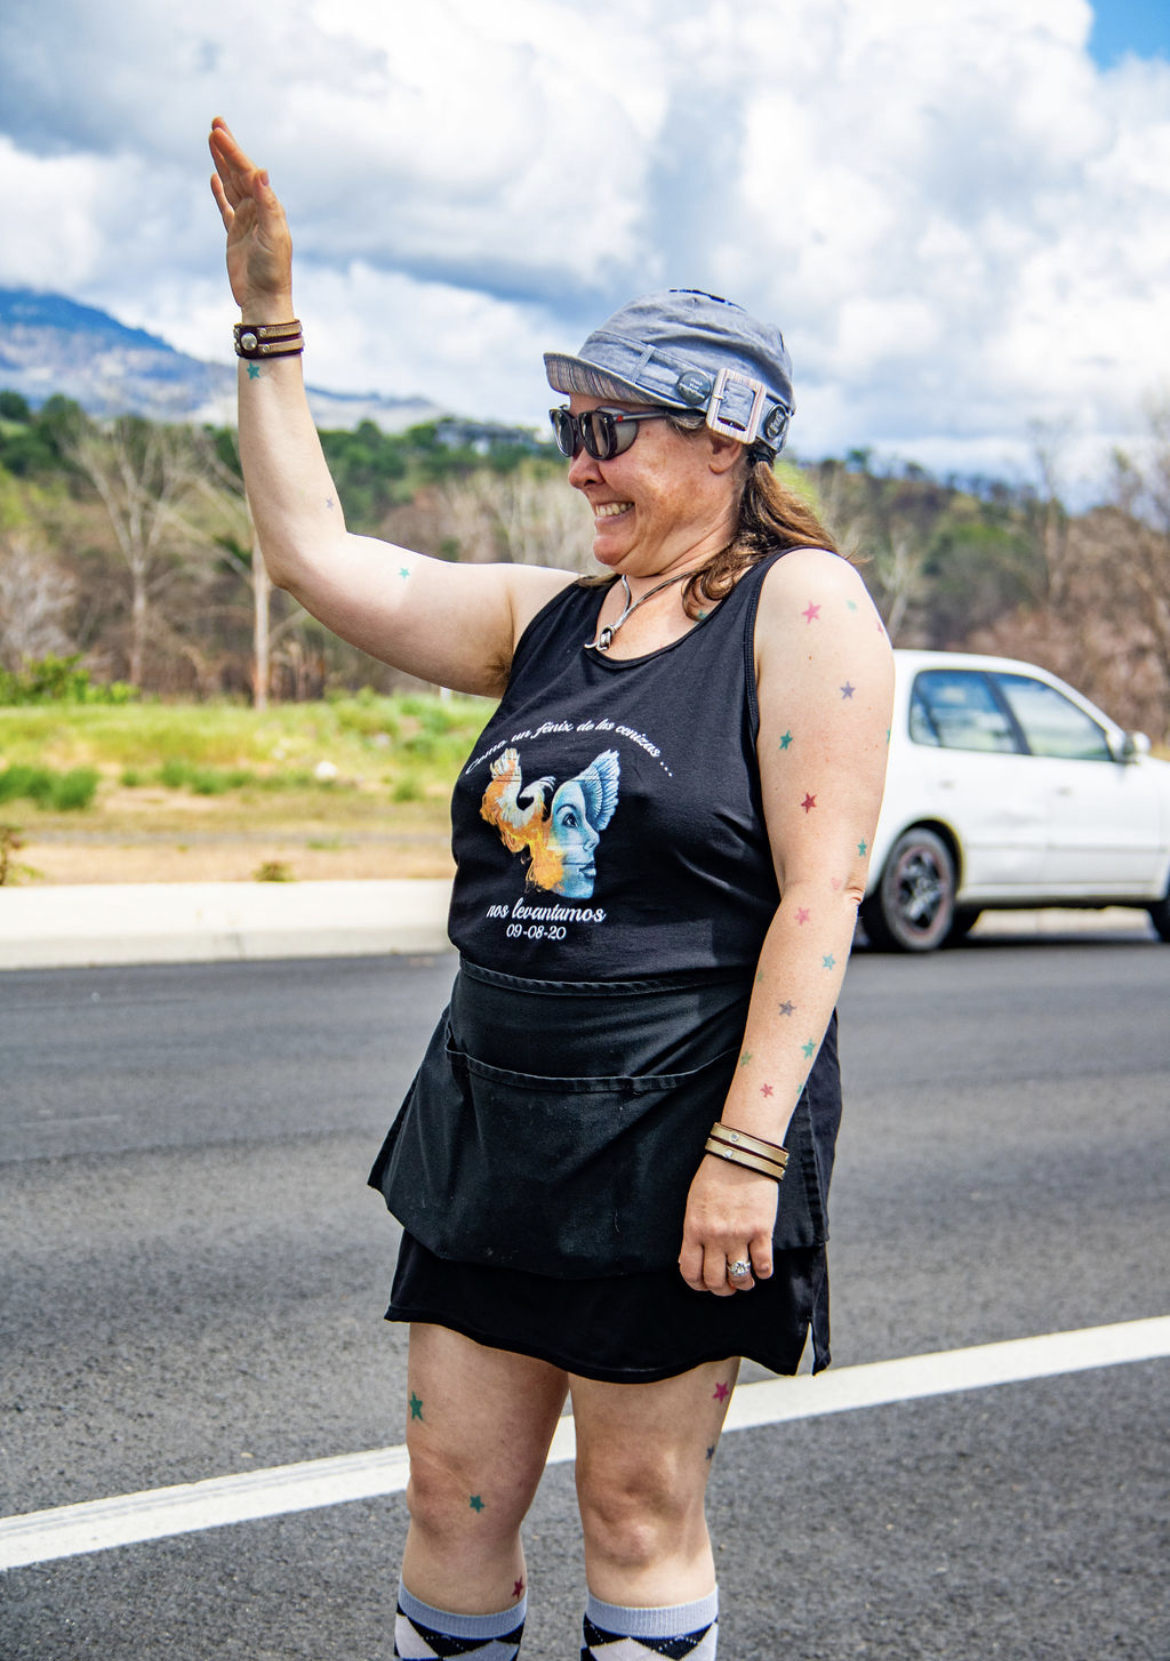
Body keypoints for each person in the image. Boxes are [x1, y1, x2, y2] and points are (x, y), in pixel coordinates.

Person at [209, 117, 894, 1661]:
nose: (577, 461)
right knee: (452, 1487)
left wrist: (744, 1153)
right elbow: (312, 554)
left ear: (724, 437)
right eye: (567, 426)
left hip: (679, 1111)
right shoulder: (550, 620)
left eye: (612, 430)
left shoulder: (802, 603)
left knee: (634, 1508)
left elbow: (819, 892)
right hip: (497, 1093)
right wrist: (267, 319)